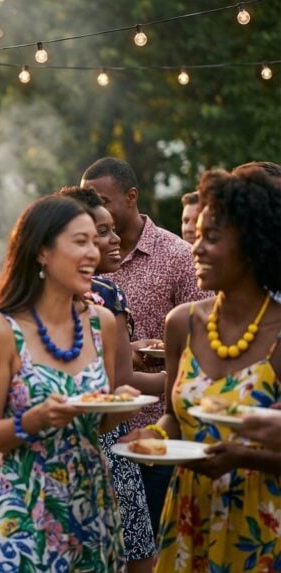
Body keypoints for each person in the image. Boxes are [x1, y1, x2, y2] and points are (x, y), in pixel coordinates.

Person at [123, 166, 281, 572]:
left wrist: (242, 457)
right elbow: (174, 419)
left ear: (253, 243)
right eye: (197, 236)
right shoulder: (183, 324)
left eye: (212, 237)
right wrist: (153, 437)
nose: (196, 248)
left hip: (263, 520)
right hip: (191, 514)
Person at [0, 195, 132, 571]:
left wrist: (120, 407)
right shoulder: (0, 332)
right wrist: (35, 419)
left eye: (94, 241)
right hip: (25, 502)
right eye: (80, 241)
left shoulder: (102, 323)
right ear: (42, 251)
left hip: (91, 499)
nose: (93, 251)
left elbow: (98, 421)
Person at [81, 157, 207, 537]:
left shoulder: (178, 255)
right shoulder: (83, 259)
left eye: (103, 200)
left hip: (160, 429)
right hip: (100, 432)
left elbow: (204, 341)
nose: (96, 209)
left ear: (131, 197)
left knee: (151, 540)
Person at [57, 186, 157, 573]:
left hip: (86, 438)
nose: (114, 240)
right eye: (100, 232)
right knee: (134, 551)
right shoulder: (106, 294)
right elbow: (118, 383)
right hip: (107, 441)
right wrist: (176, 379)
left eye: (111, 230)